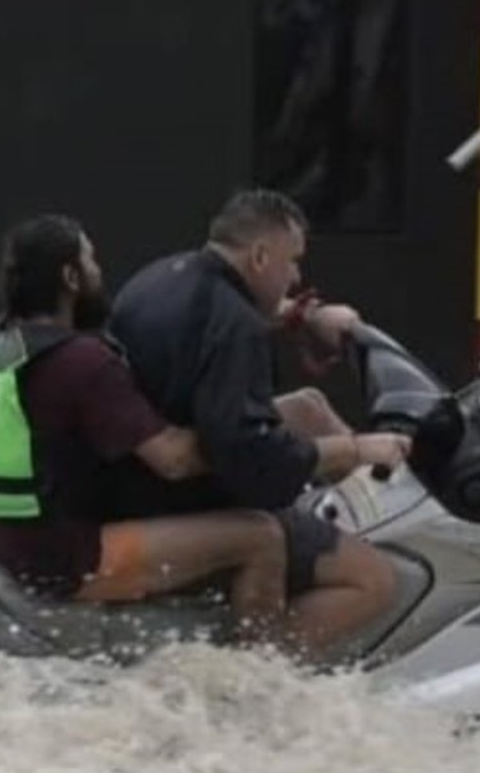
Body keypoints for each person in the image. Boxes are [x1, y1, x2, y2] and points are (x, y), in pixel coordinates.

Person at [0, 215, 287, 637]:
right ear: (71, 276)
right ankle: (264, 680)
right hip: (63, 560)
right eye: (91, 260)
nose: (99, 272)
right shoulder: (81, 362)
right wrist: (253, 439)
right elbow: (174, 460)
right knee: (260, 537)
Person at [106, 189, 411, 660]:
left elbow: (212, 329)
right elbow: (253, 461)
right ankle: (259, 679)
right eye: (293, 262)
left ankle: (373, 505)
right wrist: (358, 449)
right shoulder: (236, 327)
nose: (297, 275)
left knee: (309, 406)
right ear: (261, 256)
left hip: (130, 473)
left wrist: (304, 313)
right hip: (175, 502)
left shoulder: (163, 277)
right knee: (372, 578)